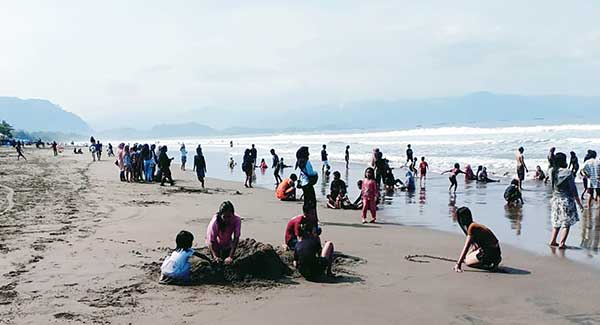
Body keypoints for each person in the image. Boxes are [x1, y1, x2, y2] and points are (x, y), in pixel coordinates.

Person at [549, 152, 584, 249]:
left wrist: (551, 152)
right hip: (566, 200)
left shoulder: (551, 171)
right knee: (566, 223)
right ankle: (562, 243)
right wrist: (579, 204)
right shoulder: (568, 172)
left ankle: (553, 240)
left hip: (555, 200)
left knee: (556, 222)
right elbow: (574, 190)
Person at [453, 207, 502, 272]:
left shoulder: (472, 227)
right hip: (495, 251)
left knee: (467, 262)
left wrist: (458, 264)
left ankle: (489, 266)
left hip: (490, 253)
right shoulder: (474, 225)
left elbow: (466, 247)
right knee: (467, 257)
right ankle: (493, 260)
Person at [296, 146, 318, 211]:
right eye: (308, 152)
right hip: (308, 183)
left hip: (303, 183)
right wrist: (316, 173)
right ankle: (312, 217)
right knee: (312, 201)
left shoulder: (299, 161)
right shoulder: (307, 162)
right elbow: (310, 173)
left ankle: (306, 215)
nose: (309, 154)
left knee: (306, 200)